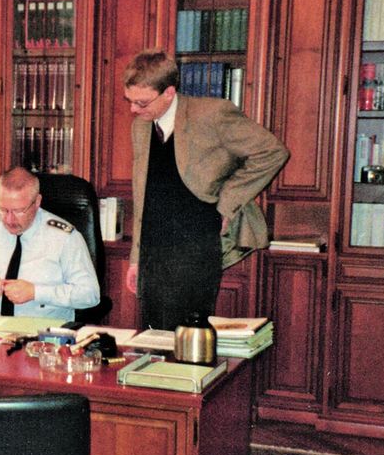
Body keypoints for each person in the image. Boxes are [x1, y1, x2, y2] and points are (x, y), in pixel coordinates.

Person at [123, 49, 289, 331]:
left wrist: (227, 202)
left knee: (187, 342)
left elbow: (272, 152)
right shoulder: (141, 127)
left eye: (141, 102)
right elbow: (144, 198)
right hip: (153, 251)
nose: (133, 110)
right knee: (153, 340)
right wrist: (136, 260)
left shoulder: (211, 114)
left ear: (169, 93)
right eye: (130, 101)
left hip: (195, 247)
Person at [0, 167, 99, 321]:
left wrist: (35, 292)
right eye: (3, 209)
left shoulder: (65, 238)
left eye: (18, 211)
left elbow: (90, 294)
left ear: (37, 202)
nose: (9, 220)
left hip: (45, 333)